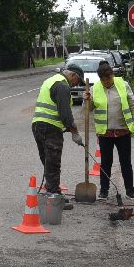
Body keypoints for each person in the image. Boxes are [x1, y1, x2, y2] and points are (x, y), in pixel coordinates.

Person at [31, 61, 87, 207]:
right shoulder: (63, 85)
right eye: (77, 81)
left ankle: (52, 191)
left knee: (48, 161)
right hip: (50, 128)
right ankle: (54, 198)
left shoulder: (51, 80)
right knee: (53, 162)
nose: (76, 85)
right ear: (72, 75)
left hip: (38, 125)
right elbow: (65, 114)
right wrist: (75, 133)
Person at [83, 59, 134, 201]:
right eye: (103, 80)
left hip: (123, 131)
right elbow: (88, 110)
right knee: (106, 162)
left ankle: (130, 190)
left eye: (108, 79)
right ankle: (104, 191)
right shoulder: (95, 88)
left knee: (125, 161)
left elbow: (133, 104)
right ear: (100, 79)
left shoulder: (123, 85)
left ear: (112, 76)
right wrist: (86, 100)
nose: (106, 82)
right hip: (105, 133)